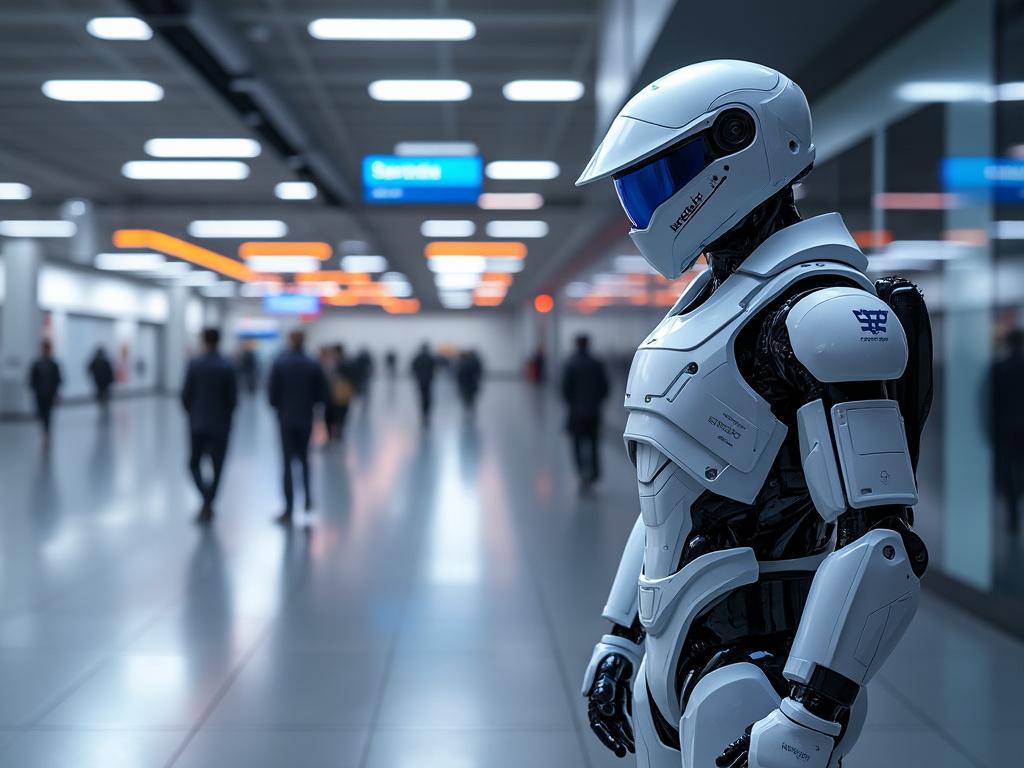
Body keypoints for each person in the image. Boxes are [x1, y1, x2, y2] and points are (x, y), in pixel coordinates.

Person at [575, 61, 932, 767]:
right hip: (673, 650)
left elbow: (881, 542)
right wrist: (620, 635)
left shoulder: (822, 314)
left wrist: (812, 709)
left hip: (767, 660)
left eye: (656, 179)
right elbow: (668, 506)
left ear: (736, 142)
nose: (644, 209)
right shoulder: (707, 306)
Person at [268, 330, 327, 524]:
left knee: (286, 463)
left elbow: (272, 394)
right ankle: (308, 499)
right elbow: (321, 394)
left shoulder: (280, 363)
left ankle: (288, 508)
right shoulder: (312, 364)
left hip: (285, 418)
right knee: (304, 459)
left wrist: (281, 406)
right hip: (305, 417)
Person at [181, 328, 237, 523]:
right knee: (217, 466)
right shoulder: (227, 367)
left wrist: (193, 414)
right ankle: (209, 500)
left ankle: (206, 499)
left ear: (203, 341)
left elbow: (185, 396)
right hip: (221, 425)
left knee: (193, 463)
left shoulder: (194, 365)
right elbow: (233, 400)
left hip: (198, 424)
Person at [560, 335, 609, 492]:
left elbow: (565, 390)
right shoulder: (597, 364)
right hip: (594, 412)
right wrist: (596, 402)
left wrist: (573, 404)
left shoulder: (571, 364)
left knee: (577, 445)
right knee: (594, 444)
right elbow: (605, 388)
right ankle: (593, 475)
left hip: (576, 413)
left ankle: (582, 476)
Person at [991, 329, 1024, 534]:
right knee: (1020, 466)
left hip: (1004, 429)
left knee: (1006, 470)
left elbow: (992, 402)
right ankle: (1017, 497)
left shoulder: (998, 368)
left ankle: (1012, 503)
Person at [27, 339, 62, 442]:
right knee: (41, 413)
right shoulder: (37, 364)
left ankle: (46, 432)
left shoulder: (53, 364)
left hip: (49, 394)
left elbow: (57, 380)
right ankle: (44, 430)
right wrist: (34, 389)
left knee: (48, 413)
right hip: (39, 393)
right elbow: (32, 379)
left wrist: (56, 393)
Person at [329, 343, 356, 440]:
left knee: (339, 413)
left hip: (339, 392)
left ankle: (338, 433)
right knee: (342, 413)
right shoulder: (346, 361)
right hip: (343, 392)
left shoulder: (339, 363)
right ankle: (339, 432)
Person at [410, 343, 436, 425]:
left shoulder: (418, 357)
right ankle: (426, 412)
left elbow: (413, 367)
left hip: (421, 379)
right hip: (428, 379)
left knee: (423, 395)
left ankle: (424, 411)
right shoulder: (430, 357)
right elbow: (435, 367)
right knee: (427, 395)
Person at [87, 346, 115, 417]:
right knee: (103, 398)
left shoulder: (99, 362)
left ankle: (104, 411)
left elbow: (110, 373)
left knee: (103, 398)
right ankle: (103, 411)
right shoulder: (102, 362)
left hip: (101, 383)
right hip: (101, 384)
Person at [455, 349, 484, 415]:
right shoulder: (474, 362)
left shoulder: (464, 363)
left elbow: (460, 374)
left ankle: (468, 409)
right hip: (470, 383)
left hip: (467, 384)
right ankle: (469, 409)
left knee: (467, 398)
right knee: (470, 398)